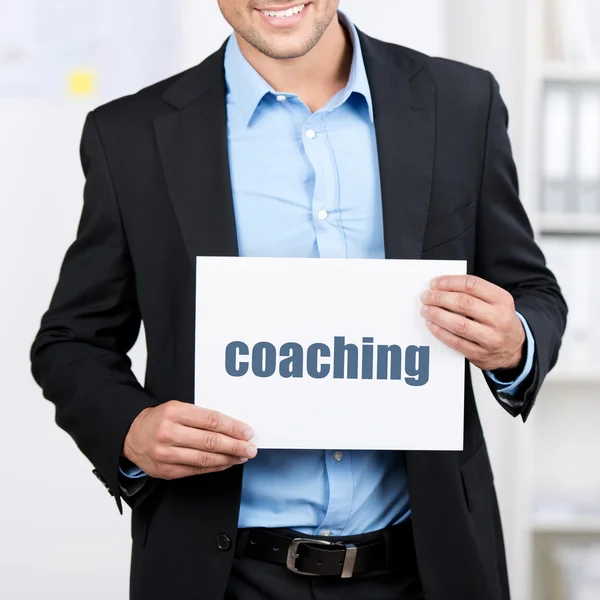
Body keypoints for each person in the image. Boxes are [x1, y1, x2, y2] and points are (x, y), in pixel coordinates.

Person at [30, 2, 567, 599]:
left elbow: (534, 293)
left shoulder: (462, 102)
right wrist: (130, 429)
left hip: (426, 566)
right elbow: (71, 342)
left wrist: (514, 338)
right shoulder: (129, 135)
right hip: (223, 574)